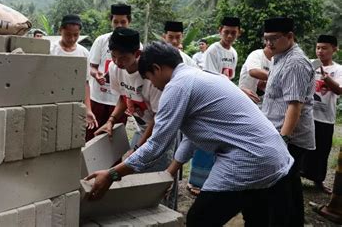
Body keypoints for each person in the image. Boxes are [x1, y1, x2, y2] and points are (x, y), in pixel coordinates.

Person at [86, 41, 294, 226]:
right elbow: (192, 137)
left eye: (149, 77)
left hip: (248, 159)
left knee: (199, 219)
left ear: (157, 69)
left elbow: (156, 145)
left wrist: (112, 174)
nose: (153, 84)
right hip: (274, 155)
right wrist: (170, 172)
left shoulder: (177, 86)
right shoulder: (200, 76)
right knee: (256, 216)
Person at [93, 28, 173, 171]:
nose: (117, 62)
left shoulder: (151, 75)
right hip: (143, 127)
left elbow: (157, 118)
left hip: (161, 130)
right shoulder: (114, 68)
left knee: (158, 175)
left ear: (137, 54)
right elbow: (123, 98)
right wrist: (111, 121)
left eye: (123, 57)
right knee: (134, 167)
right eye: (113, 56)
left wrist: (137, 148)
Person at [262, 17, 315, 226]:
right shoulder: (279, 56)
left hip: (290, 137)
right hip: (279, 132)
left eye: (273, 39)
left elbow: (295, 106)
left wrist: (282, 139)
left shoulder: (295, 62)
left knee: (282, 186)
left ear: (290, 36)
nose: (269, 44)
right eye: (266, 39)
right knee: (289, 185)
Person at [188, 16, 240, 195]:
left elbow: (229, 78)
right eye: (226, 32)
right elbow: (210, 79)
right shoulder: (213, 51)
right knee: (205, 141)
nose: (230, 36)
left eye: (233, 32)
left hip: (224, 101)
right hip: (210, 101)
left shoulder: (233, 53)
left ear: (238, 33)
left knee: (219, 144)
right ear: (220, 31)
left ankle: (210, 180)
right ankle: (195, 182)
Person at [301, 35, 341, 194]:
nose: (320, 51)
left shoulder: (338, 69)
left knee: (322, 150)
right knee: (302, 147)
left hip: (326, 118)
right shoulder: (309, 64)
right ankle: (297, 176)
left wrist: (326, 79)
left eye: (324, 48)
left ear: (334, 49)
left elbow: (339, 90)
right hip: (306, 115)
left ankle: (318, 180)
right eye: (318, 48)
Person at [88, 4, 131, 141]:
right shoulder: (101, 40)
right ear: (111, 21)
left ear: (129, 22)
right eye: (116, 22)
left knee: (114, 140)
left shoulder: (136, 44)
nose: (119, 25)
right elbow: (92, 66)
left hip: (119, 101)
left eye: (123, 22)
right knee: (92, 136)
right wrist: (96, 74)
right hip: (98, 98)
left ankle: (114, 163)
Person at [50, 14, 97, 129]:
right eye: (68, 35)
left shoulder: (84, 53)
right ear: (61, 30)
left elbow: (85, 83)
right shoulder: (51, 50)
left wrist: (88, 109)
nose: (72, 39)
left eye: (76, 35)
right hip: (53, 101)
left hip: (74, 102)